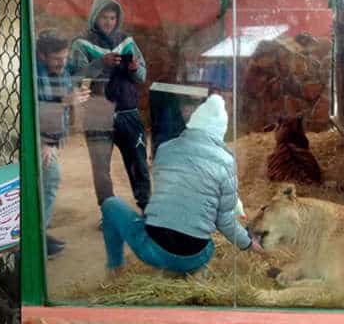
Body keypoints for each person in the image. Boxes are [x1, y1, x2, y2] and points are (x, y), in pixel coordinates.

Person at [100, 95, 264, 274]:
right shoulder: (227, 162)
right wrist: (248, 244)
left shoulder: (165, 149)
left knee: (110, 205)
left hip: (154, 252)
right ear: (221, 130)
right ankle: (193, 272)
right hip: (196, 257)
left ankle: (115, 267)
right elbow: (224, 221)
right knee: (205, 240)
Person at [69, 0, 151, 216]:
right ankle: (109, 213)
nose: (108, 22)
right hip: (98, 113)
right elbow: (75, 77)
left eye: (113, 17)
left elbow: (142, 76)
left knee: (138, 164)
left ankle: (147, 210)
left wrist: (134, 69)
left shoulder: (128, 41)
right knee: (101, 168)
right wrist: (99, 63)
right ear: (95, 17)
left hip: (128, 112)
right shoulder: (81, 43)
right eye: (104, 17)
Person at [35, 30, 90, 257]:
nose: (62, 63)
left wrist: (76, 94)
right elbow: (34, 111)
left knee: (44, 183)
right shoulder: (36, 75)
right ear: (41, 56)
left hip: (53, 139)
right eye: (57, 59)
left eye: (65, 58)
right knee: (49, 182)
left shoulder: (63, 70)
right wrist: (44, 142)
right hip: (41, 140)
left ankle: (38, 233)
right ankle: (37, 240)